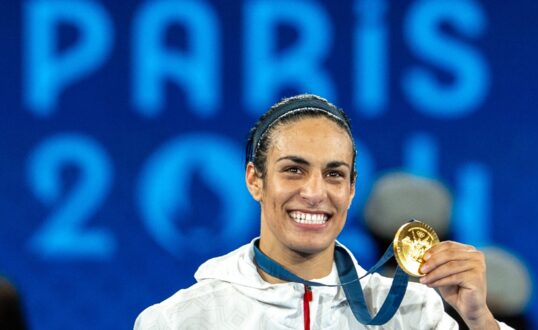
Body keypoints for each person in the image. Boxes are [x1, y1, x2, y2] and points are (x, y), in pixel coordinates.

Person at [135, 94, 512, 329]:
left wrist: (480, 322)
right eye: (293, 170)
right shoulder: (182, 320)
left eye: (334, 174)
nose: (315, 192)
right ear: (255, 180)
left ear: (351, 190)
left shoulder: (412, 314)